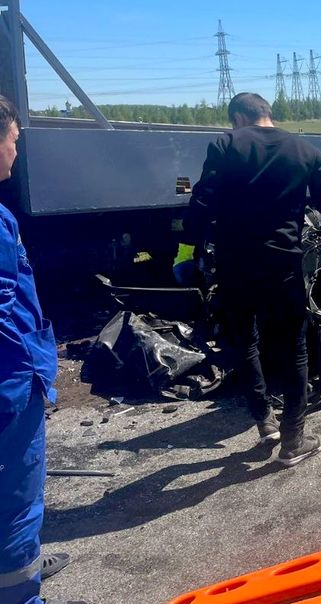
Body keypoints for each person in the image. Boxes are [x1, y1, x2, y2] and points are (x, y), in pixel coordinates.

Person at [174, 92, 321, 466]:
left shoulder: (225, 145)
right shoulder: (304, 149)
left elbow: (202, 201)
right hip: (283, 265)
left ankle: (263, 420)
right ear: (266, 114)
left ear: (238, 118)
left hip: (234, 264)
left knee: (245, 341)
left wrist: (185, 250)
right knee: (294, 348)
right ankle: (293, 440)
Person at [0, 96, 83, 604]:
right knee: (15, 501)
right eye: (13, 138)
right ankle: (21, 589)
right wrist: (33, 378)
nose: (15, 149)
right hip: (7, 392)